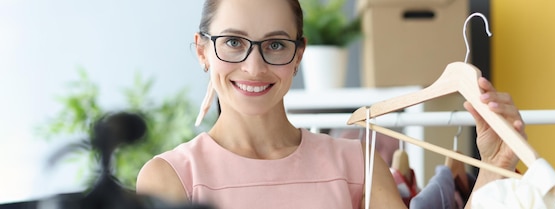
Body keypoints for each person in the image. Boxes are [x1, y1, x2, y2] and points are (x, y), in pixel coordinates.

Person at [135, 0, 527, 208]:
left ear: (298, 53)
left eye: (275, 44)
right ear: (203, 50)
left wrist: (494, 166)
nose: (254, 67)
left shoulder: (358, 164)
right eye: (234, 42)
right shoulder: (169, 178)